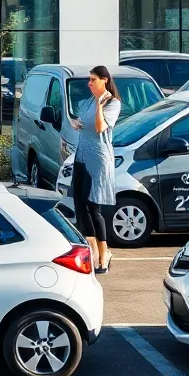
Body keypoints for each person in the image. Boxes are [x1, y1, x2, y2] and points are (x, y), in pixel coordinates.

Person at [71, 66, 121, 274]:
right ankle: (92, 251)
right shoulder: (89, 101)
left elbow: (100, 127)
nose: (89, 83)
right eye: (89, 80)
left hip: (98, 161)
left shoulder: (113, 103)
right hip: (82, 156)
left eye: (93, 80)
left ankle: (105, 253)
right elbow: (88, 124)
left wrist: (101, 105)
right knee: (80, 206)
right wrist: (78, 124)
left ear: (104, 80)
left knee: (93, 207)